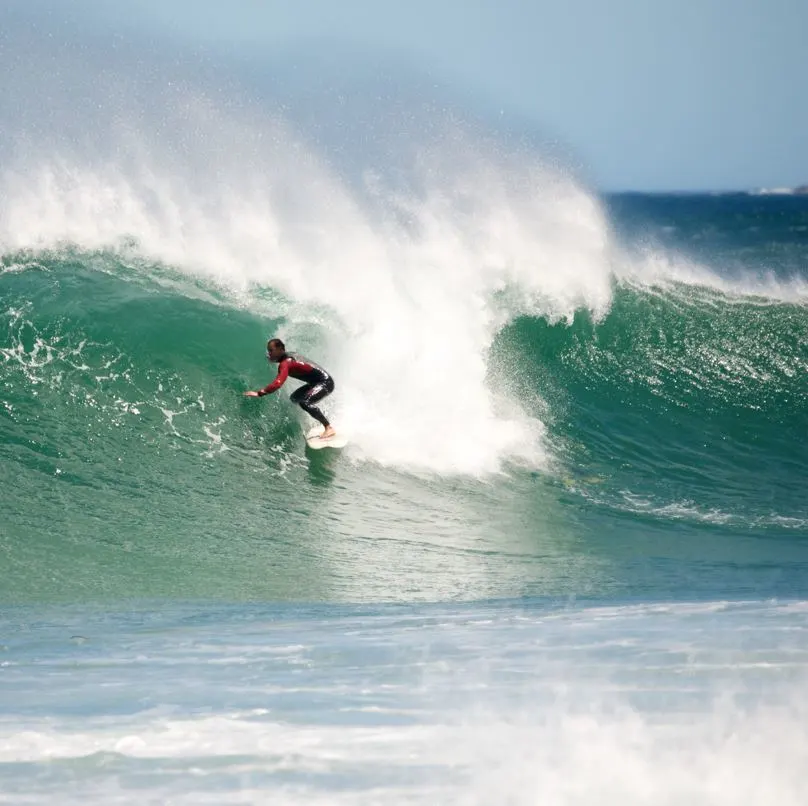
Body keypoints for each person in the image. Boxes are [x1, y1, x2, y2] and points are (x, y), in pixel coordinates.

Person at [244, 338, 336, 439]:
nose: (269, 354)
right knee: (295, 398)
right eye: (268, 351)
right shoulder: (289, 357)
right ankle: (316, 418)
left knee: (305, 402)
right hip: (315, 383)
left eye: (271, 350)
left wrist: (260, 393)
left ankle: (328, 427)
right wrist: (274, 359)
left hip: (325, 382)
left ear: (280, 349)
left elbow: (278, 383)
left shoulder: (285, 363)